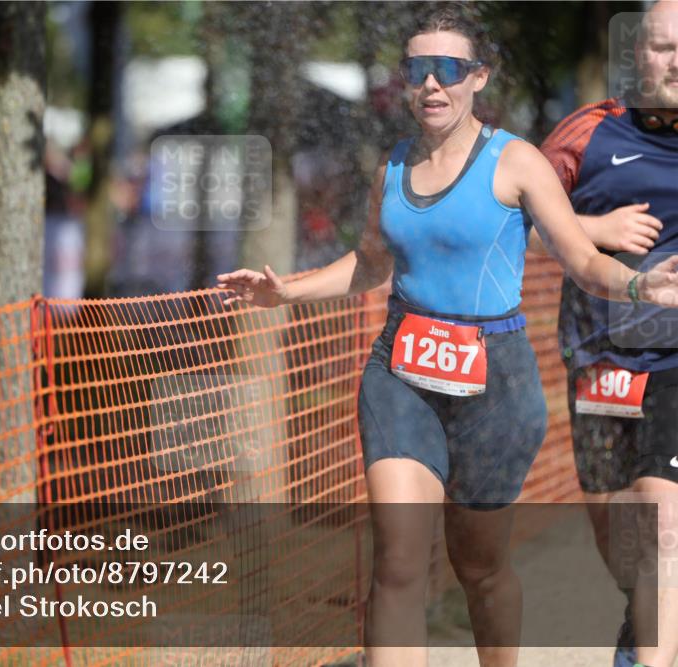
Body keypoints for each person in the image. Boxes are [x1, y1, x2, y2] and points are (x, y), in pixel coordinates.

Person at [216, 5, 678, 666]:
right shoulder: (393, 166)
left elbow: (581, 259)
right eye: (418, 69)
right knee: (398, 562)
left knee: (480, 567)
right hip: (400, 376)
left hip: (496, 385)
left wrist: (640, 286)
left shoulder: (517, 162)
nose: (432, 83)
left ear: (478, 77)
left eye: (449, 69)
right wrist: (286, 291)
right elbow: (370, 264)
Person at [533, 4, 678, 666]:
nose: (675, 62)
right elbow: (516, 215)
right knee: (620, 544)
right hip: (600, 362)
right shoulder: (589, 132)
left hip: (674, 365)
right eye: (663, 47)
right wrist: (595, 230)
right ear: (637, 53)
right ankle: (645, 637)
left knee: (660, 524)